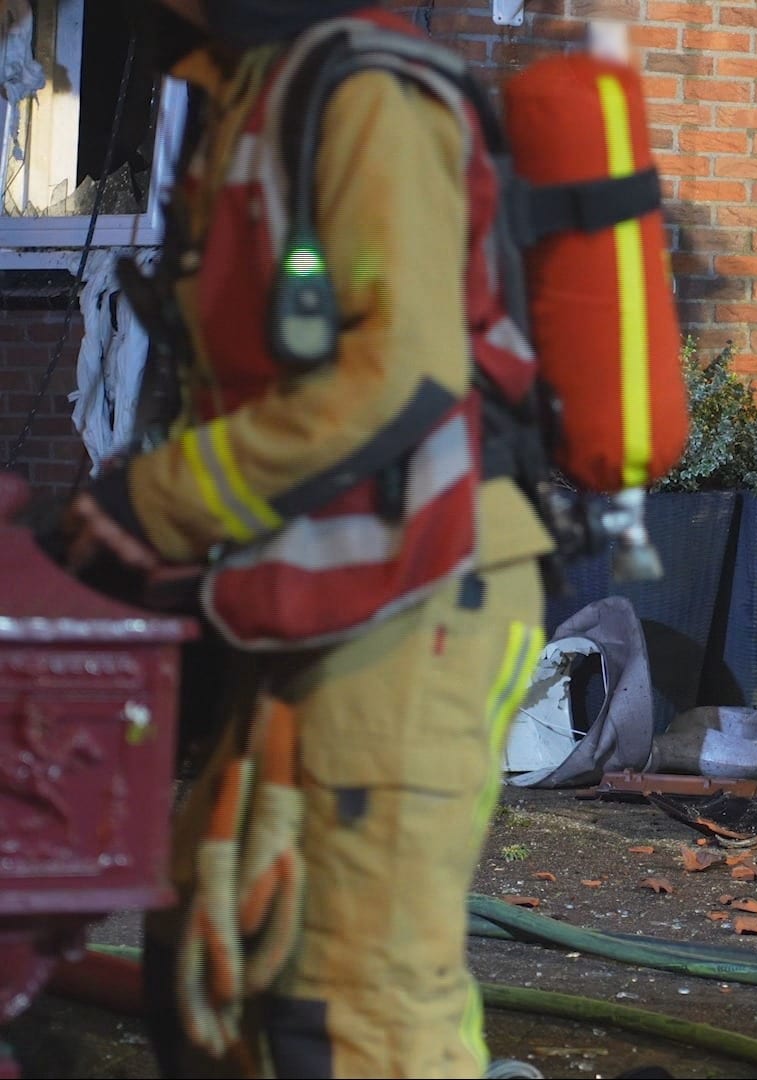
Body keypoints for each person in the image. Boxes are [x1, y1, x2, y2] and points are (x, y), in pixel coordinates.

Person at [59, 1, 552, 1075]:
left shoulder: (365, 95)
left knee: (345, 1010)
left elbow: (399, 368)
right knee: (213, 964)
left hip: (420, 600)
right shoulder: (247, 95)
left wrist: (157, 503)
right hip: (308, 608)